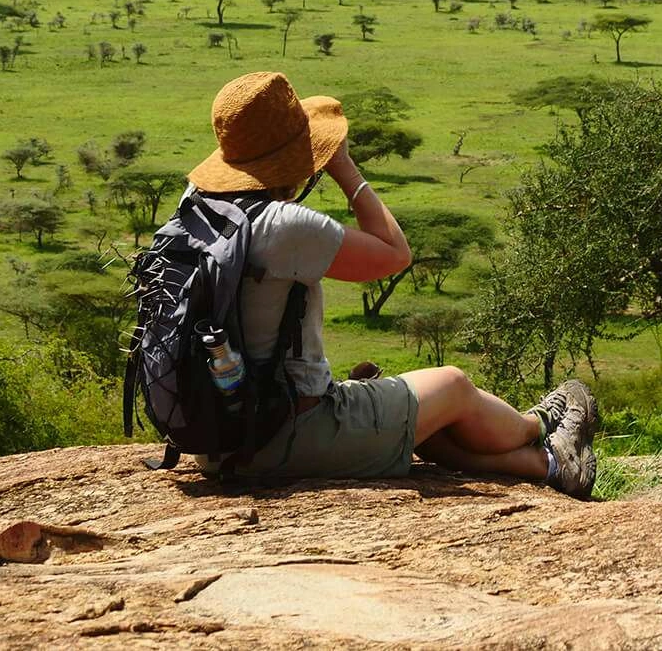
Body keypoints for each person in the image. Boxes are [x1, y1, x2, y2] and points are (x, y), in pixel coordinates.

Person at [185, 70, 598, 497]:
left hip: (221, 437)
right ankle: (545, 425)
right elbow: (394, 253)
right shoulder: (278, 225)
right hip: (290, 434)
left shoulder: (196, 209)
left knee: (425, 419)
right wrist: (342, 165)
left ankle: (547, 465)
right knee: (453, 386)